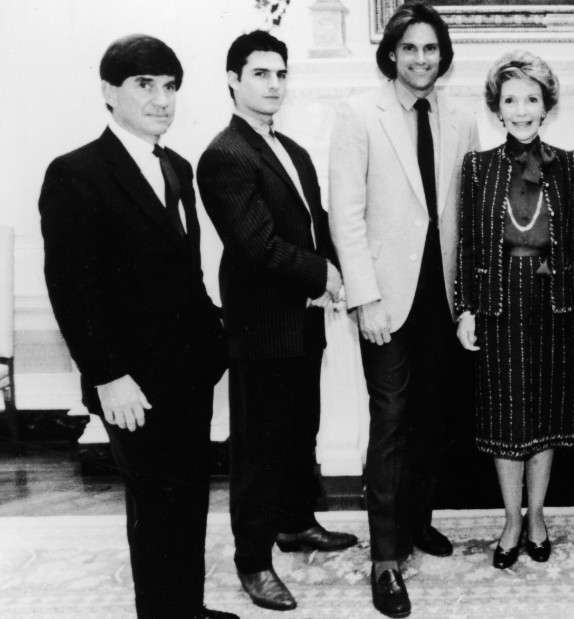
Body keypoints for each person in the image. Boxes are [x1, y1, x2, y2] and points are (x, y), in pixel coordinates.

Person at [38, 34, 235, 619]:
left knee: (188, 497)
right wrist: (107, 377)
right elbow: (72, 292)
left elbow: (186, 269)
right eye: (144, 85)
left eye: (170, 87)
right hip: (131, 383)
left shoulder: (176, 166)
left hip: (188, 373)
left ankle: (188, 608)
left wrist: (214, 342)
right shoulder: (76, 172)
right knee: (154, 505)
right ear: (109, 92)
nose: (161, 100)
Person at [197, 31, 357, 612]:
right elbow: (256, 245)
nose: (274, 85)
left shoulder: (291, 148)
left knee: (298, 432)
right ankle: (253, 560)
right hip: (262, 327)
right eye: (261, 73)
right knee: (260, 447)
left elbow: (315, 224)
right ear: (234, 79)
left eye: (281, 74)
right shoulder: (224, 155)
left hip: (303, 322)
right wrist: (325, 277)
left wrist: (334, 269)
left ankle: (295, 525)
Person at [328, 2, 479, 616]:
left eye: (432, 49)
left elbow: (465, 220)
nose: (422, 59)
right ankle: (386, 560)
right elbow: (347, 213)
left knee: (433, 420)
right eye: (411, 48)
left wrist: (467, 301)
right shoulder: (358, 114)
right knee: (390, 424)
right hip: (386, 301)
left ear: (443, 56)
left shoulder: (463, 118)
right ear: (392, 52)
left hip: (442, 299)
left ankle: (417, 522)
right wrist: (365, 298)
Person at [455, 50, 574, 570]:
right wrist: (466, 309)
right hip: (498, 304)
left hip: (550, 302)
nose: (522, 109)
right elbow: (467, 243)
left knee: (547, 416)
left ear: (546, 105)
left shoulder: (570, 163)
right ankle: (511, 521)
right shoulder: (477, 166)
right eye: (512, 99)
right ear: (497, 108)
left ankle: (537, 516)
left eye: (532, 98)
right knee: (506, 418)